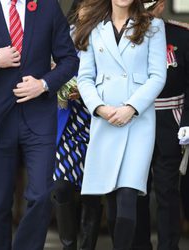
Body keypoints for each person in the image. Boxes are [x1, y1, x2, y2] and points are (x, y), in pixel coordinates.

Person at [0, 0, 79, 249]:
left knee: (42, 195)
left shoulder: (48, 7)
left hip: (39, 116)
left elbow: (70, 61)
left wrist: (42, 84)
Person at [75, 0, 167, 250]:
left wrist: (131, 108)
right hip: (104, 119)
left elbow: (158, 75)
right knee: (113, 206)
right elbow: (84, 77)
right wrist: (99, 108)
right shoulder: (94, 26)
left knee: (128, 198)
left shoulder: (153, 25)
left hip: (137, 122)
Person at [130, 1, 189, 250]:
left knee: (167, 191)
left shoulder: (180, 35)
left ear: (162, 6)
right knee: (136, 190)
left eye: (151, 6)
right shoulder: (125, 34)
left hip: (168, 119)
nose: (145, 12)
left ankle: (168, 246)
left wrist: (186, 122)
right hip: (135, 119)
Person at [52, 1, 102, 250]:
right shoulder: (64, 33)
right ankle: (68, 245)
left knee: (91, 192)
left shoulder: (106, 34)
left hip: (97, 120)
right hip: (68, 119)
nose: (87, 11)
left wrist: (87, 91)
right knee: (61, 187)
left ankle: (87, 247)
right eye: (84, 5)